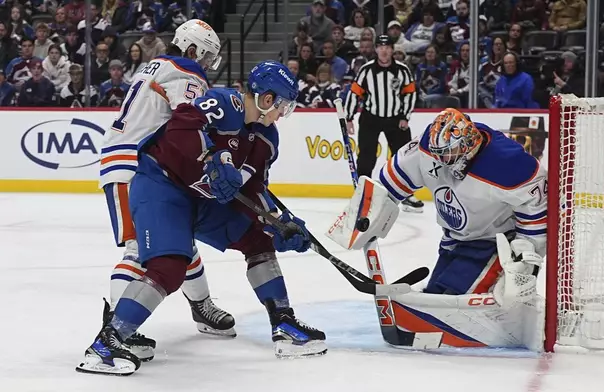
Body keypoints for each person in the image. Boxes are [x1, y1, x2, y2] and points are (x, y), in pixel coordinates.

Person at [77, 61, 326, 376]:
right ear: (266, 99)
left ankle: (284, 324)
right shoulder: (224, 102)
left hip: (201, 201)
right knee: (169, 266)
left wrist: (279, 222)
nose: (282, 114)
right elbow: (182, 124)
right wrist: (213, 157)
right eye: (283, 106)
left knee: (258, 237)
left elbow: (254, 191)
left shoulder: (266, 140)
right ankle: (107, 343)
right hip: (161, 186)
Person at [92, 19, 232, 364]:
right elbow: (188, 117)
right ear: (193, 49)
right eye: (208, 57)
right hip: (134, 166)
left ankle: (201, 306)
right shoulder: (186, 69)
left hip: (145, 163)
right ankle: (116, 329)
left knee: (177, 240)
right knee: (139, 250)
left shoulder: (157, 65)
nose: (208, 65)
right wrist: (213, 153)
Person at [331, 107, 546, 305]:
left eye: (448, 153)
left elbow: (537, 207)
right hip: (453, 241)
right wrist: (367, 210)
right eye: (438, 153)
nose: (440, 160)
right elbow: (389, 185)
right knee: (435, 299)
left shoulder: (508, 162)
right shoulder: (429, 148)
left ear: (467, 145)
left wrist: (525, 253)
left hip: (494, 245)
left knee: (453, 306)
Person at [344, 34, 423, 212]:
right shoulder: (366, 70)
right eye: (380, 47)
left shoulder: (402, 70)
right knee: (366, 157)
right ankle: (363, 194)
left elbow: (410, 93)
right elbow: (354, 93)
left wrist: (405, 116)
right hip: (371, 117)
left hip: (396, 118)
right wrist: (349, 117)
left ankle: (407, 195)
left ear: (392, 50)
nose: (384, 50)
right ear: (376, 49)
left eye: (387, 47)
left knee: (403, 158)